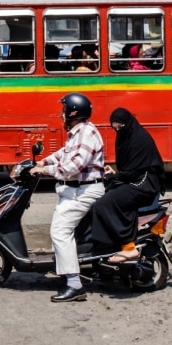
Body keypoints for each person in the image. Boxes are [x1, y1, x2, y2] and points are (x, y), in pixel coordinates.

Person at [30, 93, 106, 302]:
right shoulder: (78, 133)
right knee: (62, 230)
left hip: (83, 191)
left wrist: (45, 171)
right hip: (74, 190)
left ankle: (74, 285)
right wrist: (43, 163)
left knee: (60, 230)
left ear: (73, 112)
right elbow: (65, 153)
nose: (61, 114)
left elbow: (74, 166)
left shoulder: (87, 133)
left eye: (64, 110)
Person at [90, 108, 165, 263]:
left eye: (120, 127)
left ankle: (128, 247)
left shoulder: (139, 139)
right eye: (115, 128)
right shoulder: (128, 137)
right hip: (134, 179)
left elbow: (134, 171)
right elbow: (129, 168)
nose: (118, 131)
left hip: (144, 185)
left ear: (128, 123)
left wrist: (116, 176)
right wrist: (115, 173)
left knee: (104, 204)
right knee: (104, 194)